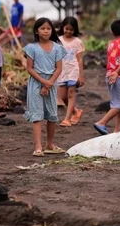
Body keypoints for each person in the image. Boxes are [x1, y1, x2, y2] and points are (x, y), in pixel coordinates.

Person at [23, 17, 66, 157]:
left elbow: (58, 68)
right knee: (37, 116)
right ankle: (38, 146)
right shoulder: (32, 48)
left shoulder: (58, 48)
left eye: (48, 28)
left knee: (52, 116)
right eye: (42, 28)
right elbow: (30, 68)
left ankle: (50, 144)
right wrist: (43, 82)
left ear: (52, 30)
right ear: (37, 31)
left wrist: (49, 83)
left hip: (52, 84)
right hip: (36, 83)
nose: (46, 31)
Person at [94, 20, 120, 135]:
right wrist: (118, 72)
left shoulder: (110, 43)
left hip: (110, 75)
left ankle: (117, 128)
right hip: (117, 75)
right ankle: (102, 122)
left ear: (111, 32)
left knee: (117, 102)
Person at [57, 17, 84, 127]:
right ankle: (76, 111)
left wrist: (81, 76)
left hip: (73, 70)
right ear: (63, 27)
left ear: (75, 30)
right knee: (63, 97)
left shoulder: (77, 42)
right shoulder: (58, 41)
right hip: (62, 71)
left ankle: (67, 119)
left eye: (71, 30)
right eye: (66, 29)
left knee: (71, 94)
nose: (68, 31)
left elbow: (80, 59)